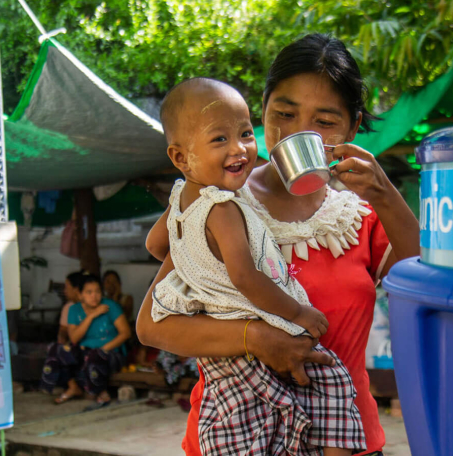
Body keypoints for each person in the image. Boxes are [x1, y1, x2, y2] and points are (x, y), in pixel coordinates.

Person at [137, 34, 419, 456]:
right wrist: (255, 338)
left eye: (324, 122)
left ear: (352, 128)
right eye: (284, 113)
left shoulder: (359, 217)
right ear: (262, 110)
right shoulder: (219, 204)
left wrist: (385, 194)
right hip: (238, 437)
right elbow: (154, 325)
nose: (298, 132)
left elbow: (423, 275)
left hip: (342, 439)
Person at [150, 78, 364, 456]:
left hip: (222, 361)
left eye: (246, 133)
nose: (239, 149)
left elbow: (156, 244)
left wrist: (197, 264)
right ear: (180, 158)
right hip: (256, 341)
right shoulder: (224, 207)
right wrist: (297, 312)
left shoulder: (182, 199)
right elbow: (245, 276)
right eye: (219, 139)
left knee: (243, 431)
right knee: (330, 383)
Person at [55, 275, 131, 407]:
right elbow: (74, 338)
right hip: (85, 352)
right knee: (60, 351)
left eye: (97, 291)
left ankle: (100, 391)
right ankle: (73, 387)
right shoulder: (74, 309)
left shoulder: (110, 306)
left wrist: (103, 349)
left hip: (111, 353)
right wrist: (92, 315)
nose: (94, 296)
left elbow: (125, 333)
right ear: (80, 295)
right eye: (89, 292)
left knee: (95, 356)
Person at [40, 271, 84, 393]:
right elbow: (62, 333)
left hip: (84, 346)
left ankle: (52, 385)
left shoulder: (84, 306)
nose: (65, 291)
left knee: (56, 351)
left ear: (76, 289)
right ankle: (71, 386)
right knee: (57, 351)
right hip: (72, 346)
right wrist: (62, 345)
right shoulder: (69, 307)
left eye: (67, 287)